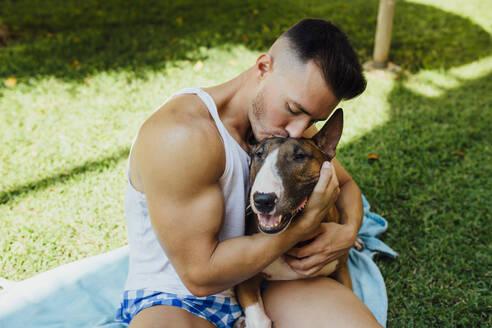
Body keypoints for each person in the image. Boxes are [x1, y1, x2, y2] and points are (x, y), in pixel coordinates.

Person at [116, 18, 382, 327]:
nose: (299, 129)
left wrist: (349, 232)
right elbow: (200, 277)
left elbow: (346, 185)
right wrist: (303, 225)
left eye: (314, 118)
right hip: (179, 298)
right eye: (295, 109)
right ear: (263, 67)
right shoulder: (181, 136)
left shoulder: (282, 129)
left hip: (271, 279)